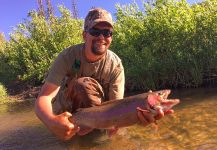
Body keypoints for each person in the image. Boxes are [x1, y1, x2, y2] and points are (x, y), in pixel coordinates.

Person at [35, 8, 173, 141]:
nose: (101, 37)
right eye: (95, 31)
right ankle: (72, 129)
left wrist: (136, 118)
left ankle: (92, 130)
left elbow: (118, 108)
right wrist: (51, 121)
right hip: (69, 113)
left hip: (102, 118)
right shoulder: (68, 57)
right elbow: (45, 96)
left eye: (107, 32)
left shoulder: (116, 65)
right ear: (85, 35)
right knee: (81, 85)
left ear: (111, 38)